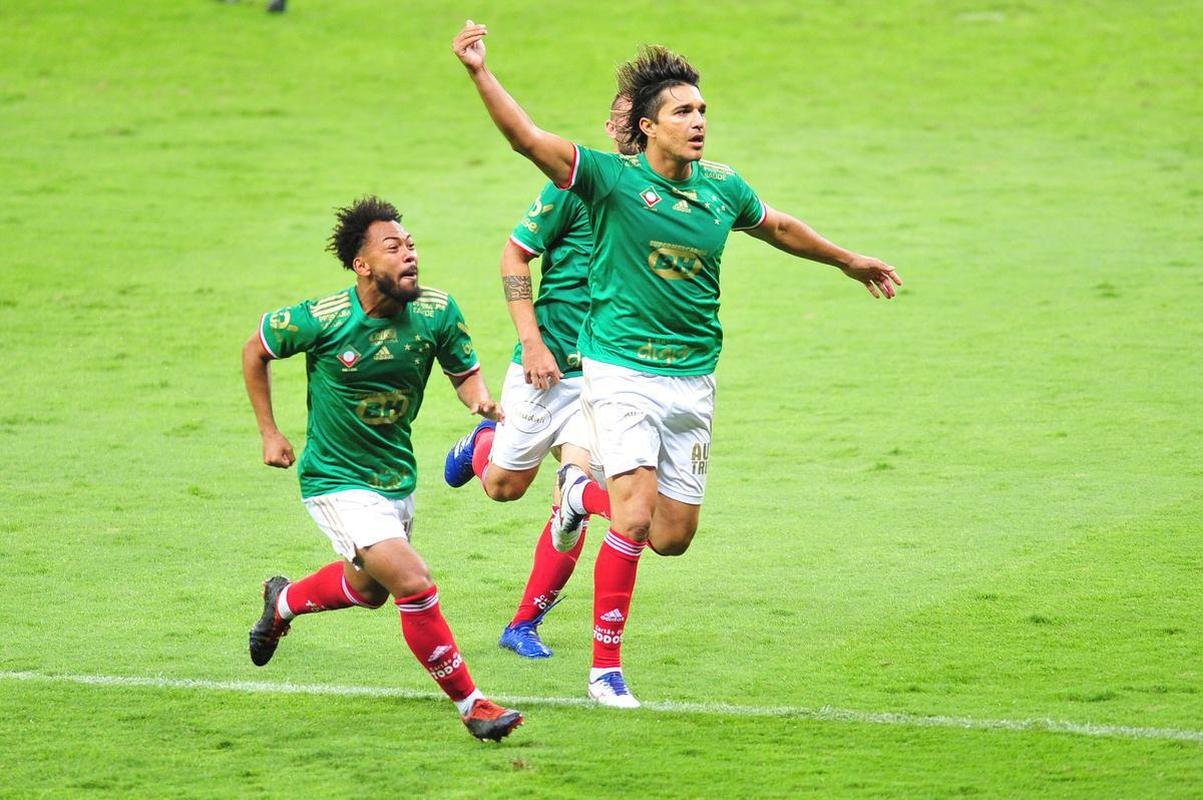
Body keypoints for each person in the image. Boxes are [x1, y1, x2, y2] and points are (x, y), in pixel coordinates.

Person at [452, 22, 902, 708]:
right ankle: (605, 672)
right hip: (619, 373)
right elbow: (526, 139)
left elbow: (778, 227)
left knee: (671, 536)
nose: (698, 122)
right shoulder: (608, 181)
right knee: (631, 518)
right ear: (647, 127)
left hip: (692, 382)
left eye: (702, 110)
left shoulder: (723, 187)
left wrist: (847, 260)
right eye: (683, 112)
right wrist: (480, 71)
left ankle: (575, 495)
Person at [242, 195, 523, 741]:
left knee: (369, 591)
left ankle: (282, 603)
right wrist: (270, 432)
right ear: (362, 265)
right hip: (336, 479)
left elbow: (463, 370)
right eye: (393, 247)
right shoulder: (322, 318)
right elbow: (256, 350)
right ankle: (473, 705)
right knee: (413, 582)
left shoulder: (437, 311)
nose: (409, 254)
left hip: (395, 476)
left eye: (411, 245)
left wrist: (479, 399)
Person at [442, 95, 636, 661]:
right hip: (547, 367)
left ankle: (523, 623)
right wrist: (532, 342)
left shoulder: (663, 197)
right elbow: (514, 255)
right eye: (624, 117)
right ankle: (483, 444)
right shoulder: (574, 185)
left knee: (572, 498)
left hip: (607, 377)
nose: (631, 127)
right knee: (504, 487)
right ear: (612, 127)